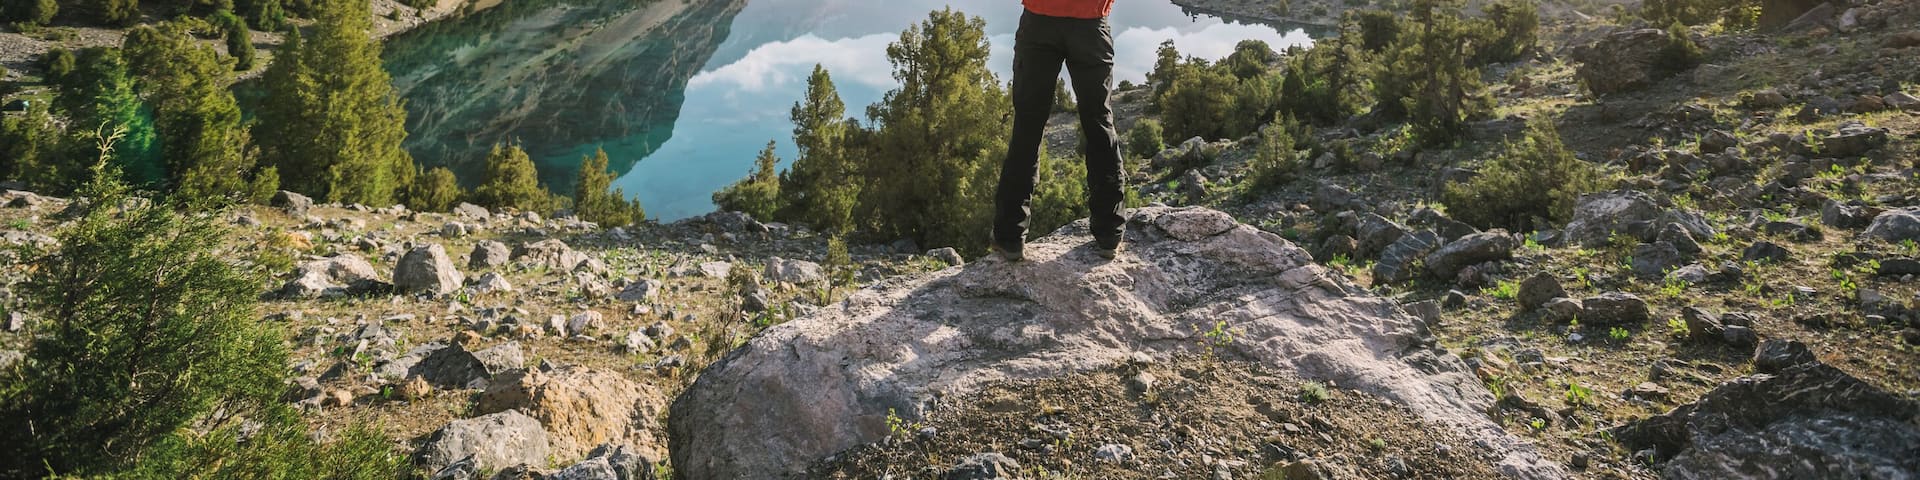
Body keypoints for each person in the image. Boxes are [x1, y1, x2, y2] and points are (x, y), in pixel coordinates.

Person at [992, 0, 1127, 262]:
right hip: (1090, 23)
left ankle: (1010, 235)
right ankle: (1110, 232)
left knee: (1027, 126)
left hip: (1039, 21)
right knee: (1099, 122)